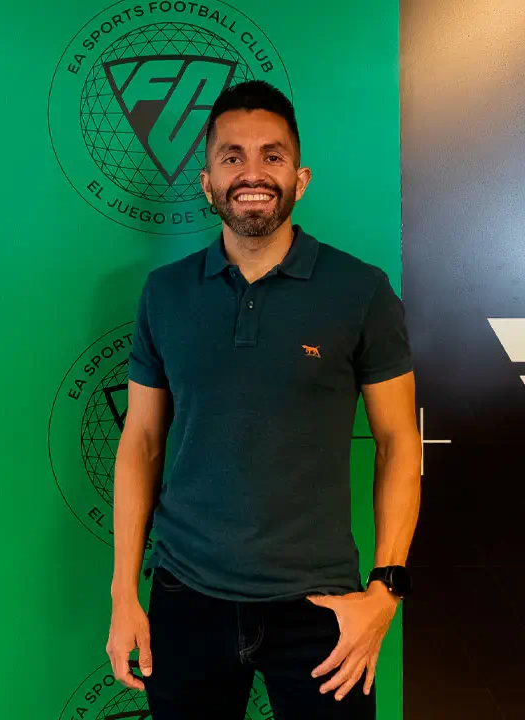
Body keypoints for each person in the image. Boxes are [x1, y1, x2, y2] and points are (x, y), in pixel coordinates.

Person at [105, 79, 421, 719]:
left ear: (300, 178)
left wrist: (385, 590)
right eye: (233, 156)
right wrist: (122, 594)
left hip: (323, 608)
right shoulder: (164, 293)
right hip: (186, 599)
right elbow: (140, 442)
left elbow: (397, 442)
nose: (253, 173)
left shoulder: (360, 291)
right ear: (207, 182)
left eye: (272, 156)